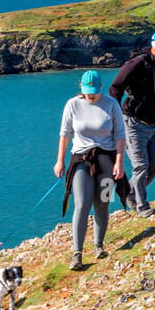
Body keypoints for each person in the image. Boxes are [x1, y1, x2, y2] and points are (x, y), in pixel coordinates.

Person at [55, 69, 126, 270]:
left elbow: (120, 135)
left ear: (101, 88)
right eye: (87, 91)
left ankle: (98, 246)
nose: (91, 94)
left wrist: (119, 163)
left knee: (103, 203)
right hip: (81, 160)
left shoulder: (112, 104)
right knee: (82, 203)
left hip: (107, 161)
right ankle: (77, 254)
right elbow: (65, 134)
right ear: (81, 88)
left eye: (94, 91)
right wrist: (59, 161)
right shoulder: (72, 104)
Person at [110, 28, 155, 218]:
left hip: (153, 124)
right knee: (141, 166)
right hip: (133, 123)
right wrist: (114, 117)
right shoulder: (137, 64)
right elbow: (115, 88)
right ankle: (141, 206)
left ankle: (129, 192)